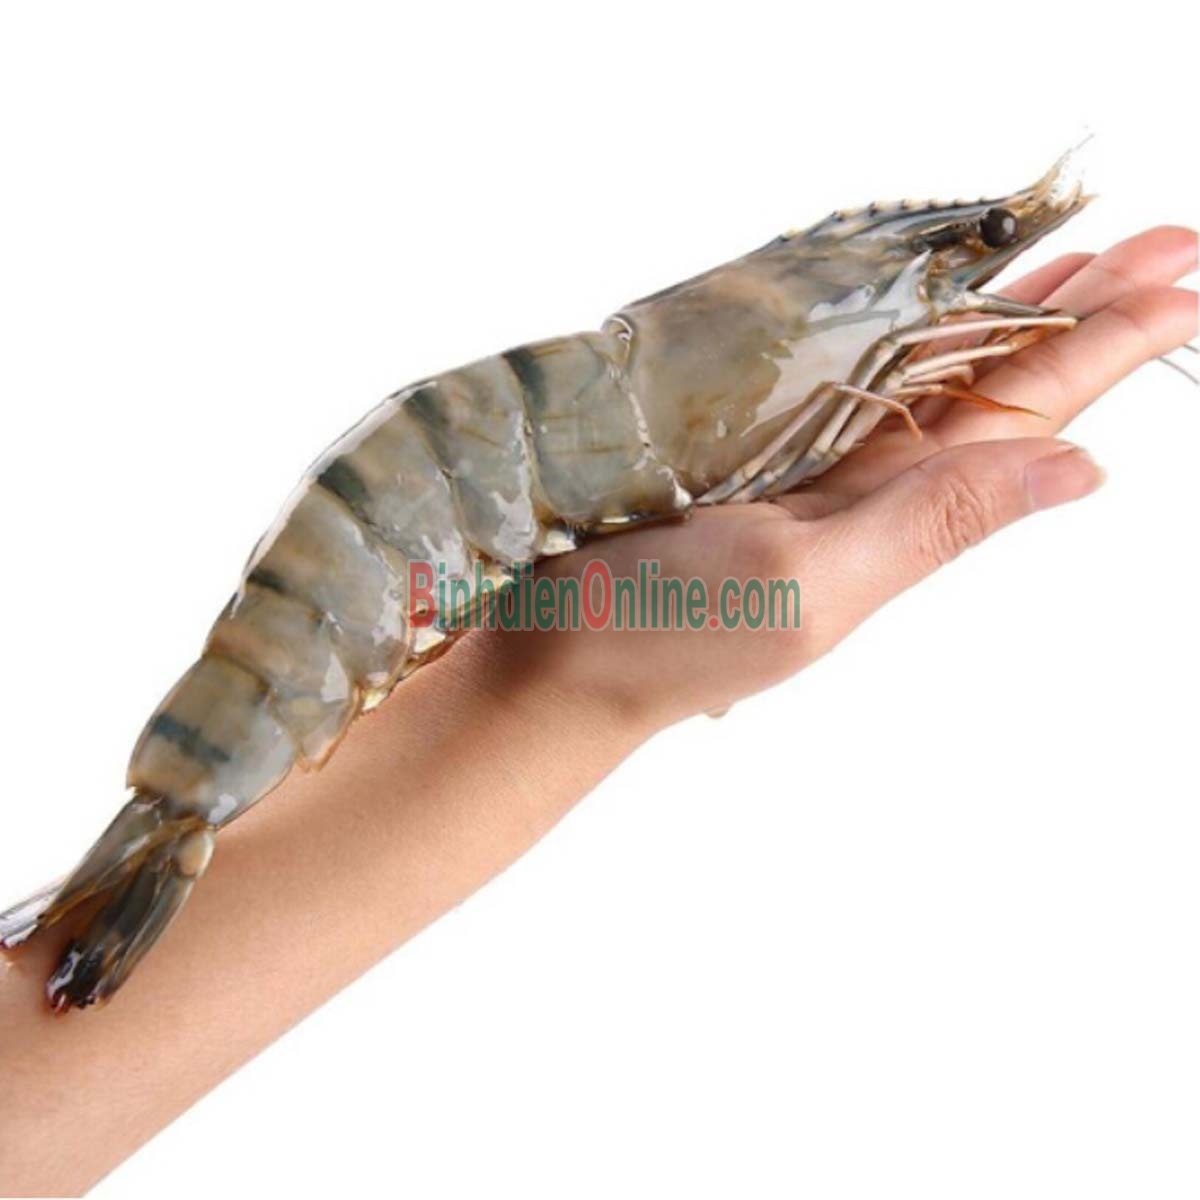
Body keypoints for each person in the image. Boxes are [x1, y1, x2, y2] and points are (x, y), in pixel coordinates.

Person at [1, 225, 1195, 1196]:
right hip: (407, 513)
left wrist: (564, 679)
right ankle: (154, 851)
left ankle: (136, 867)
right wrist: (579, 683)